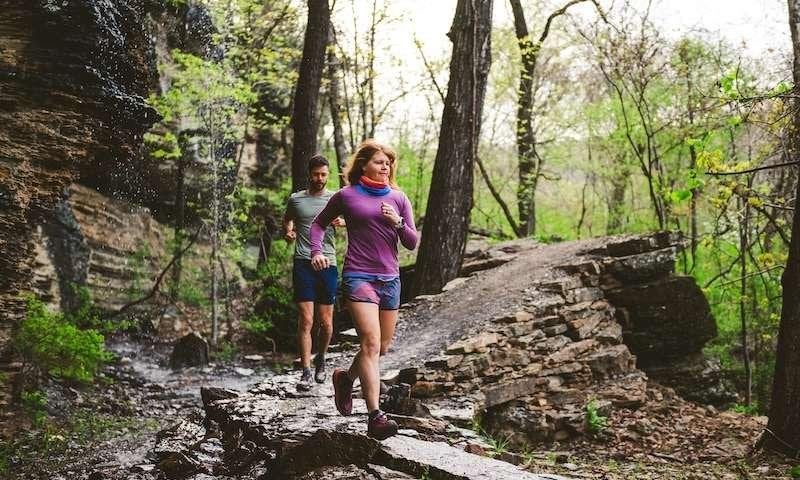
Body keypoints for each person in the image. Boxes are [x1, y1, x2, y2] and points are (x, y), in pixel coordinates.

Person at [309, 139, 418, 440]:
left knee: (380, 347)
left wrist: (397, 223)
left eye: (389, 163)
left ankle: (345, 378)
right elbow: (319, 225)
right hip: (358, 276)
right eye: (380, 161)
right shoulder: (347, 195)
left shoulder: (399, 198)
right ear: (364, 165)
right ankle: (375, 416)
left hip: (390, 279)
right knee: (370, 342)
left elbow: (412, 241)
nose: (386, 167)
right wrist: (317, 251)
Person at [283, 154, 344, 391]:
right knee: (306, 320)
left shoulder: (336, 199)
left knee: (325, 322)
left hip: (328, 263)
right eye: (316, 174)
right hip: (303, 262)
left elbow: (356, 220)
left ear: (328, 175)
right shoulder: (297, 199)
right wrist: (288, 232)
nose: (319, 178)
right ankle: (306, 371)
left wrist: (343, 223)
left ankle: (321, 359)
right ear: (309, 174)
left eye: (324, 174)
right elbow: (287, 220)